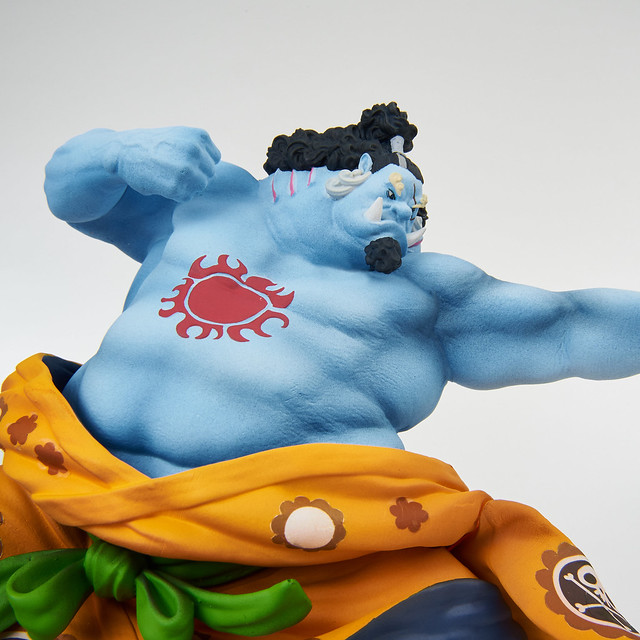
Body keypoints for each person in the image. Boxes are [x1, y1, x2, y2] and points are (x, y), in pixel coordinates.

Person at [0, 104, 638, 639]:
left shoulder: (428, 296)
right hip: (63, 489)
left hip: (306, 546)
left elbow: (568, 325)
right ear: (308, 178)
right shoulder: (210, 201)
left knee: (460, 621)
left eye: (419, 210)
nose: (408, 215)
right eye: (393, 193)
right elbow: (74, 194)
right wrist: (116, 154)